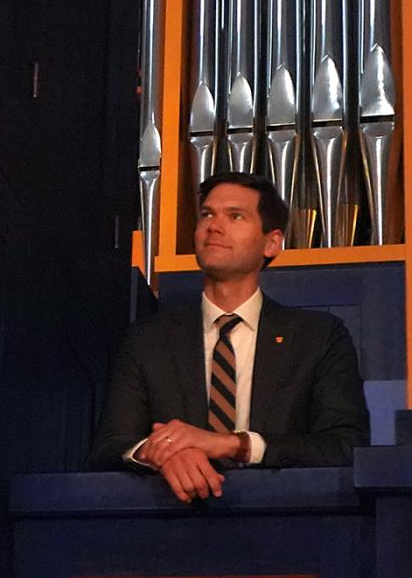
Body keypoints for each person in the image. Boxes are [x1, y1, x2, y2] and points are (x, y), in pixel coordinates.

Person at [86, 172, 370, 501]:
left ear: (272, 243)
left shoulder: (319, 337)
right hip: (169, 526)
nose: (214, 226)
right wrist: (164, 454)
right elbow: (110, 446)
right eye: (207, 214)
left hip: (286, 524)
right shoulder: (147, 340)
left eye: (235, 216)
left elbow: (346, 446)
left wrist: (232, 444)